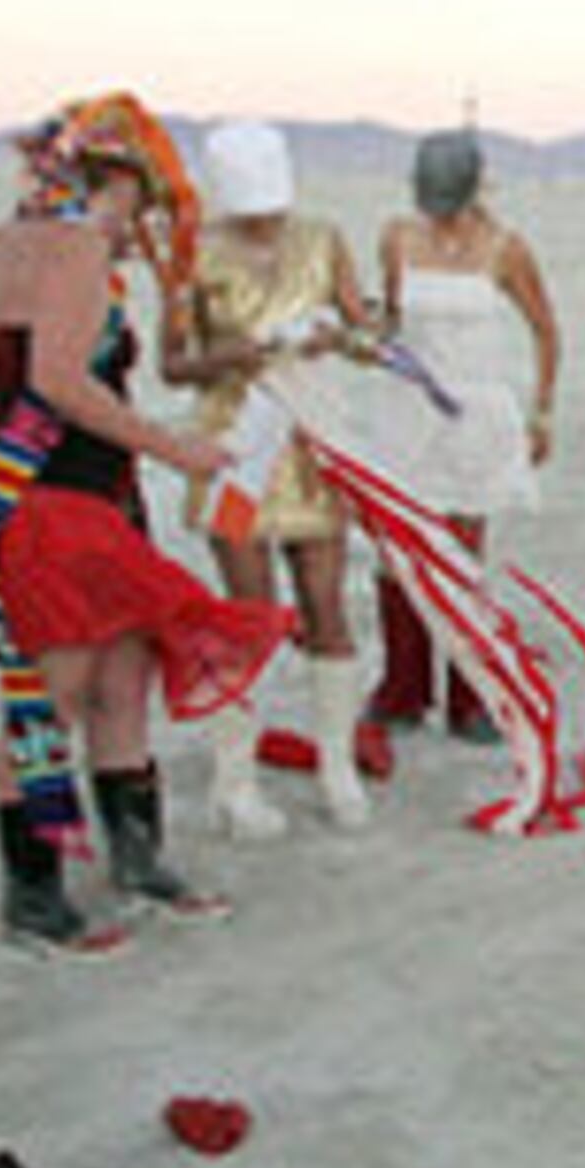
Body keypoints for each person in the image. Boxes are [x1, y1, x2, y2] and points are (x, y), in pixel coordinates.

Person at [0, 95, 289, 955]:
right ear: (107, 182)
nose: (145, 219)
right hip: (51, 507)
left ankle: (138, 859)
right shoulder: (79, 250)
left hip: (35, 493)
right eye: (139, 197)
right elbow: (58, 380)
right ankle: (34, 892)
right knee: (49, 696)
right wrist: (174, 448)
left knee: (122, 674)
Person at [162, 119, 378, 832]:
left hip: (313, 447)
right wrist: (235, 355)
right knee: (245, 617)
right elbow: (171, 365)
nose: (267, 222)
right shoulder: (191, 255)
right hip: (233, 450)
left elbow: (370, 331)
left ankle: (337, 767)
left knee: (327, 604)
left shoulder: (322, 239)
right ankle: (236, 780)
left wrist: (337, 337)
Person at [362, 127, 560, 745]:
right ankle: (402, 688)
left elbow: (546, 331)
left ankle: (469, 697)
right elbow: (391, 322)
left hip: (475, 412)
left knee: (463, 552)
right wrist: (368, 328)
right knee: (397, 551)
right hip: (407, 408)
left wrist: (541, 412)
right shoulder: (397, 237)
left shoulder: (506, 248)